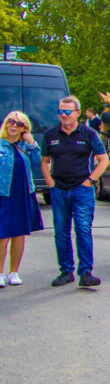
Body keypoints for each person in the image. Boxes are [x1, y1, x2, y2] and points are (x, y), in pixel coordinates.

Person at [41, 95, 109, 288]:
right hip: (59, 190)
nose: (63, 115)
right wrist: (50, 182)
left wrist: (91, 180)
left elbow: (103, 159)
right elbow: (44, 161)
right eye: (60, 111)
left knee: (83, 229)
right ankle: (66, 271)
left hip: (82, 190)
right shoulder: (50, 135)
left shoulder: (89, 134)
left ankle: (86, 272)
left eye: (67, 111)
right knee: (61, 231)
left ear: (77, 113)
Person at [0, 111, 44, 288]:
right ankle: (0, 273)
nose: (13, 126)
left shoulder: (25, 146)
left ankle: (14, 272)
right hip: (4, 194)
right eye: (11, 121)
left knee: (19, 234)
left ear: (24, 128)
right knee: (2, 235)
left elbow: (37, 162)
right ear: (6, 124)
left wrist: (31, 142)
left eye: (18, 124)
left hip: (22, 194)